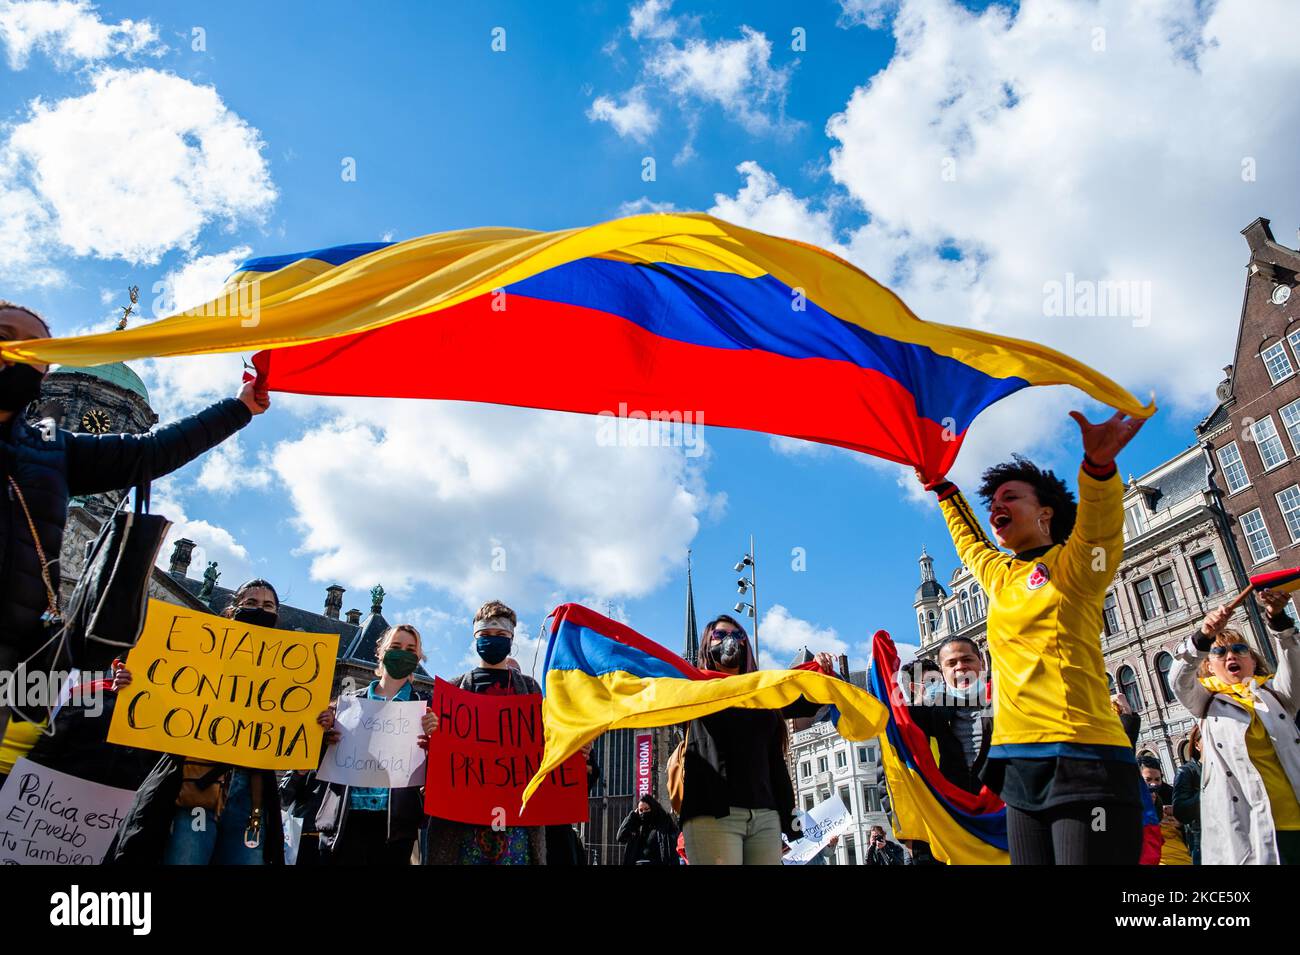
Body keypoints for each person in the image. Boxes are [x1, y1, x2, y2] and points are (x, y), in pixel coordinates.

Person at [0, 301, 268, 739]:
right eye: (6, 335)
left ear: (43, 376)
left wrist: (237, 409)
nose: (16, 352)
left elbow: (148, 453)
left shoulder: (52, 453)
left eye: (33, 349)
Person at [919, 409, 1147, 865]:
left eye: (1010, 497)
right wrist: (942, 486)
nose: (996, 507)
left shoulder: (1076, 566)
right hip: (1019, 766)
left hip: (1083, 758)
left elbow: (1102, 527)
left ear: (1045, 513)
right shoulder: (1001, 576)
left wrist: (1098, 470)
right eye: (993, 501)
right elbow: (970, 542)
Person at [107, 579, 332, 865]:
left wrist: (318, 724)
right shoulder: (197, 655)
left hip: (251, 795)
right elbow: (158, 701)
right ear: (231, 611)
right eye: (250, 603)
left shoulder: (292, 673)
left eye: (267, 606)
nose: (258, 610)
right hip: (195, 785)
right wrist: (133, 684)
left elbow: (294, 733)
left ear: (276, 617)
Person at [678, 614, 836, 866]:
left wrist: (822, 671)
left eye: (738, 635)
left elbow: (811, 699)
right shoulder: (692, 689)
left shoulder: (763, 692)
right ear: (708, 644)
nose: (730, 641)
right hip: (714, 813)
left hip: (765, 815)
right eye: (720, 635)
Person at [1172, 590, 1300, 864]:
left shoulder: (1275, 696)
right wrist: (1204, 635)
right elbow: (1178, 680)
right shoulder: (1206, 702)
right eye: (1219, 651)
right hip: (1250, 832)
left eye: (1240, 650)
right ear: (1208, 665)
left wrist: (1278, 621)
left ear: (1252, 661)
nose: (1231, 655)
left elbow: (1295, 670)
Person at [423, 601, 549, 865]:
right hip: (462, 824)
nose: (493, 640)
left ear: (511, 639)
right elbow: (433, 756)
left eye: (501, 635)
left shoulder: (530, 689)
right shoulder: (452, 690)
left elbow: (547, 743)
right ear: (475, 638)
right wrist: (429, 735)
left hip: (517, 826)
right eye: (486, 636)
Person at [315, 624, 436, 865]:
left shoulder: (426, 710)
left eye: (411, 649)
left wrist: (435, 743)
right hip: (345, 822)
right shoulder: (348, 704)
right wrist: (322, 735)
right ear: (381, 653)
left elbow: (437, 773)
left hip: (396, 829)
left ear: (419, 658)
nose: (403, 652)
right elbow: (318, 765)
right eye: (395, 647)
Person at [616, 795, 680, 865]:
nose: (643, 812)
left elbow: (671, 849)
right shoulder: (636, 827)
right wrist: (632, 815)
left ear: (653, 808)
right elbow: (620, 837)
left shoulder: (663, 825)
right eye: (641, 810)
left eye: (647, 809)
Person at [1171, 725, 1202, 864]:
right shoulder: (1186, 771)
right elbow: (1181, 810)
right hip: (1202, 842)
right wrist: (1209, 789)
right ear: (1197, 745)